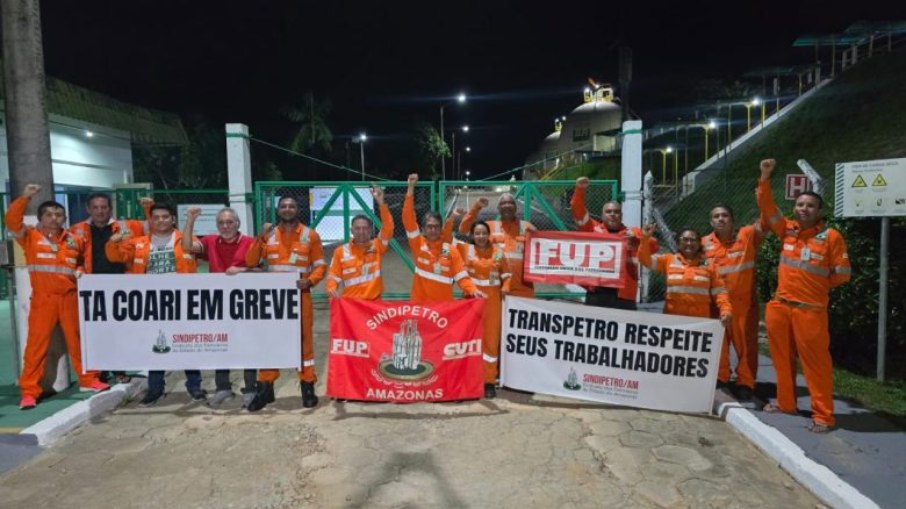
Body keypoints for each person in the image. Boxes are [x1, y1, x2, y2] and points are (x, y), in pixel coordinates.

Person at [757, 158, 850, 433]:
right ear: (794, 209)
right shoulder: (786, 229)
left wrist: (817, 288)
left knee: (816, 364)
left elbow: (842, 274)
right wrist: (764, 177)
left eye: (810, 205)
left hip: (810, 309)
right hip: (780, 306)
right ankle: (786, 403)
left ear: (819, 210)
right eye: (800, 205)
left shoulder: (831, 237)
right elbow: (767, 207)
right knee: (781, 359)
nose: (804, 209)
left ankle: (823, 416)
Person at [6, 184, 110, 409]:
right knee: (36, 346)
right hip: (44, 299)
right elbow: (12, 221)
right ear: (41, 218)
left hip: (70, 297)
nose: (54, 218)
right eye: (49, 215)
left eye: (59, 214)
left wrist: (81, 270)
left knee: (79, 341)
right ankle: (29, 391)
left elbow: (82, 261)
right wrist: (24, 198)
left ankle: (88, 379)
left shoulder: (73, 239)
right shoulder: (30, 237)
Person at [105, 202, 204, 406]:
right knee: (155, 345)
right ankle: (155, 388)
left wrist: (191, 220)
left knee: (187, 343)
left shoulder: (184, 238)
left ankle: (194, 386)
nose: (160, 221)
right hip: (152, 303)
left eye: (165, 217)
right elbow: (115, 256)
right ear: (150, 221)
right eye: (156, 217)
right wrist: (112, 243)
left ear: (173, 219)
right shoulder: (138, 242)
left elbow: (191, 247)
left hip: (182, 301)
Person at [244, 195, 326, 411]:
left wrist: (310, 280)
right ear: (278, 209)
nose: (287, 209)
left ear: (297, 209)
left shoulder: (311, 235)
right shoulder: (268, 235)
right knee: (269, 343)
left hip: (301, 298)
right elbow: (250, 261)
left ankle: (307, 386)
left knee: (304, 344)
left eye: (291, 206)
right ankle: (266, 388)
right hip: (272, 302)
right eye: (284, 206)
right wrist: (260, 238)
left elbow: (320, 265)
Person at [70, 192, 153, 385]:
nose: (100, 211)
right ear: (88, 209)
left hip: (120, 286)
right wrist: (79, 270)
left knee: (119, 330)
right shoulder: (77, 230)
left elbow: (152, 227)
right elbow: (73, 256)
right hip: (91, 288)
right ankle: (98, 372)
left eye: (104, 207)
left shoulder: (126, 226)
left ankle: (119, 369)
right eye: (96, 208)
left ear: (110, 208)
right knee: (94, 332)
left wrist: (148, 208)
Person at [182, 206, 259, 408]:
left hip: (245, 304)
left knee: (248, 345)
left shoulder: (251, 243)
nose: (225, 226)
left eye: (229, 222)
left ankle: (250, 388)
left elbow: (263, 269)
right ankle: (223, 388)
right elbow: (187, 247)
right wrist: (190, 220)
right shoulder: (210, 241)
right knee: (220, 344)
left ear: (237, 224)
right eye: (221, 223)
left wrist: (242, 270)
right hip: (218, 303)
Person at [702, 204, 764, 400]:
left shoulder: (746, 237)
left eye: (725, 215)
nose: (721, 219)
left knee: (745, 346)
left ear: (733, 220)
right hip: (716, 303)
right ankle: (721, 377)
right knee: (719, 343)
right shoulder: (703, 243)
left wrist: (763, 184)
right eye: (716, 216)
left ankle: (745, 382)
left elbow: (767, 219)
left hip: (743, 305)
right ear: (711, 222)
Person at [571, 176, 657, 309]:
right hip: (596, 293)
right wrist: (580, 189)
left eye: (616, 212)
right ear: (602, 215)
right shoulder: (592, 229)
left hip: (623, 295)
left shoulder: (632, 233)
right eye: (608, 212)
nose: (613, 214)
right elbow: (577, 210)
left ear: (621, 215)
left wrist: (639, 239)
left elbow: (654, 246)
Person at [403, 173, 484, 302]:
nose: (433, 230)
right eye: (429, 226)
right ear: (423, 229)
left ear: (441, 228)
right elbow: (408, 219)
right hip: (420, 308)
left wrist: (473, 290)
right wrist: (410, 189)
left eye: (436, 226)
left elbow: (462, 276)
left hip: (442, 312)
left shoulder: (450, 250)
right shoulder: (418, 244)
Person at [457, 221, 511, 399]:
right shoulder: (465, 250)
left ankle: (488, 381)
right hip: (471, 303)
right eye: (477, 233)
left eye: (483, 233)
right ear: (472, 235)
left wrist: (506, 287)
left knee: (490, 341)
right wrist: (457, 217)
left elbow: (507, 275)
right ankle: (468, 380)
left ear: (488, 235)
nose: (480, 237)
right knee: (470, 342)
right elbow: (445, 239)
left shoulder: (498, 253)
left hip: (492, 303)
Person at [638, 224, 732, 324]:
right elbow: (645, 260)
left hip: (699, 322)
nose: (689, 243)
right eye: (685, 239)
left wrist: (725, 310)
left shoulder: (709, 264)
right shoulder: (668, 260)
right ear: (678, 243)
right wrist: (644, 238)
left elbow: (720, 291)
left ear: (699, 243)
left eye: (693, 240)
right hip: (673, 320)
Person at [457, 192, 535, 298]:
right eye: (503, 203)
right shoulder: (490, 227)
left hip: (523, 288)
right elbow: (463, 229)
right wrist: (476, 207)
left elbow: (544, 249)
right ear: (498, 208)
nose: (507, 205)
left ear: (516, 207)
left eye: (510, 203)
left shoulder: (527, 227)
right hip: (497, 288)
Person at [326, 185, 394, 300]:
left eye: (365, 228)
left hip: (374, 303)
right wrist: (331, 288)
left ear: (370, 230)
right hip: (352, 306)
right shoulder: (340, 251)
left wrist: (381, 204)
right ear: (351, 230)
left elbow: (388, 227)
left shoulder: (377, 246)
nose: (361, 232)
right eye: (357, 228)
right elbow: (333, 276)